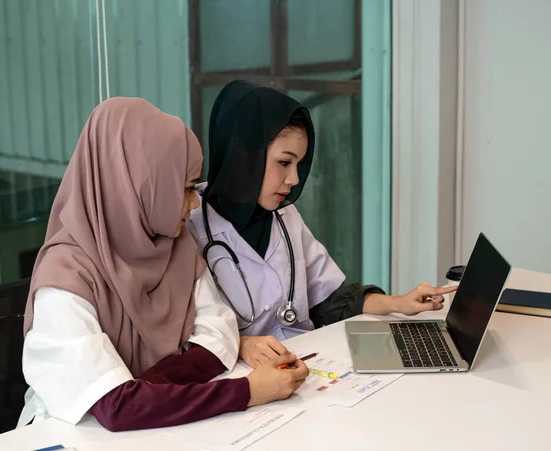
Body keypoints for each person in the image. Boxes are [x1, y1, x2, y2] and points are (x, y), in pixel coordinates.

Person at [18, 97, 309, 432]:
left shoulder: (175, 245)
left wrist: (142, 389)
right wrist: (246, 391)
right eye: (186, 188)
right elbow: (116, 409)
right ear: (140, 186)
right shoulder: (64, 276)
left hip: (162, 425)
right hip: (72, 434)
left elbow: (220, 337)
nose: (195, 201)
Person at [187, 80, 457, 368]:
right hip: (244, 379)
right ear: (244, 155)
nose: (293, 180)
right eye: (284, 163)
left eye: (299, 165)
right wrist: (240, 344)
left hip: (308, 362)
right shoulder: (189, 228)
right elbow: (182, 337)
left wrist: (399, 304)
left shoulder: (284, 216)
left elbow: (331, 301)